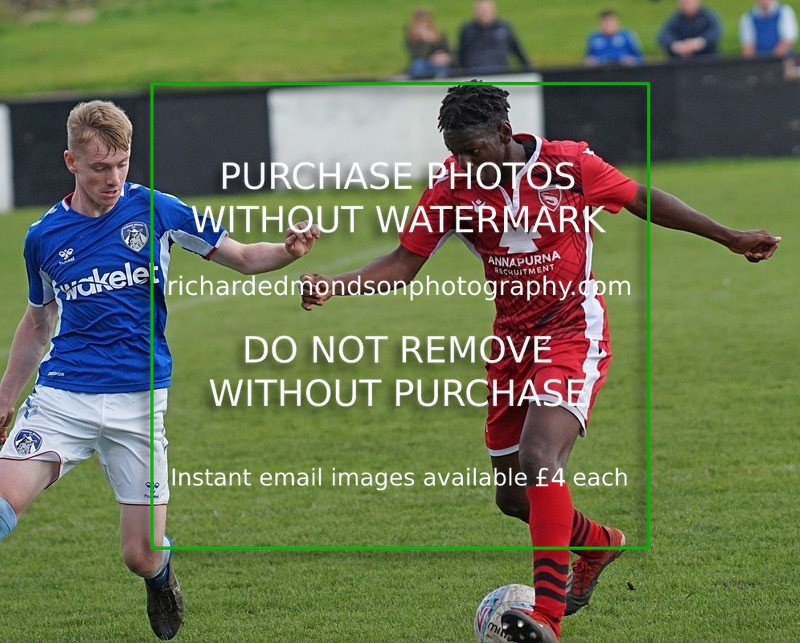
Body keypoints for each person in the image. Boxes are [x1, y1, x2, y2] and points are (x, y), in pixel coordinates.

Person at [300, 84, 780, 643]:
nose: (463, 162)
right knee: (511, 498)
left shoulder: (569, 164)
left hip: (573, 331)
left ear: (504, 135)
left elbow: (641, 197)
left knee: (539, 458)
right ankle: (597, 544)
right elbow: (404, 264)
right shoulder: (451, 189)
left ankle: (545, 617)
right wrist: (335, 285)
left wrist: (728, 237)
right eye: (455, 151)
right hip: (511, 346)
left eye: (473, 149)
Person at [0, 100, 319, 640]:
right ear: (70, 162)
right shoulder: (43, 238)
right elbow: (37, 323)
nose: (113, 178)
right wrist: (6, 396)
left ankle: (161, 576)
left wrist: (287, 252)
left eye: (122, 164)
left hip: (140, 405)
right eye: (100, 167)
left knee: (140, 554)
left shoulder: (158, 210)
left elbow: (241, 256)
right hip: (63, 398)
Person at [458, 0, 532, 74]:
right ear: (475, 12)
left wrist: (530, 69)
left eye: (487, 10)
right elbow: (460, 54)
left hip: (500, 70)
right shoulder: (467, 29)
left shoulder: (504, 27)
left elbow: (518, 51)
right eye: (481, 10)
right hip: (475, 72)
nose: (484, 13)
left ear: (494, 11)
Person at [657, 0, 722, 59]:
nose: (687, 4)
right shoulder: (675, 19)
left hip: (706, 59)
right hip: (680, 62)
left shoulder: (707, 16)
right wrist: (675, 45)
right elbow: (663, 35)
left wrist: (699, 42)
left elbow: (715, 30)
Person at [405, 7, 453, 79]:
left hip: (437, 62)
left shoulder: (439, 33)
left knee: (442, 66)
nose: (424, 24)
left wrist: (445, 57)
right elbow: (417, 55)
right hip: (422, 62)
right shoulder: (411, 37)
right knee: (419, 65)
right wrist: (427, 41)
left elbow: (448, 50)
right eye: (421, 22)